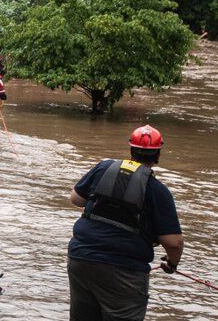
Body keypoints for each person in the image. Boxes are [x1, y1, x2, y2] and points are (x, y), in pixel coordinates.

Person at [67, 125, 184, 321]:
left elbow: (76, 199)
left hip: (81, 259)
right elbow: (174, 242)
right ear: (157, 155)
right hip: (124, 271)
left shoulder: (103, 168)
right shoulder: (157, 190)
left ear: (131, 150)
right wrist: (172, 263)